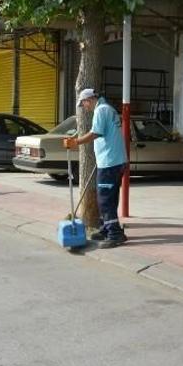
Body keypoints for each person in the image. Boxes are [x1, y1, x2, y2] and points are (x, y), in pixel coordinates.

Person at [63, 88, 128, 249]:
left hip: (110, 162)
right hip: (115, 160)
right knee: (110, 198)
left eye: (83, 103)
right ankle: (108, 228)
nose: (84, 107)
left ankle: (114, 234)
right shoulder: (108, 109)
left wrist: (75, 142)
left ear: (89, 99)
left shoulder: (101, 110)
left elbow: (95, 133)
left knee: (105, 199)